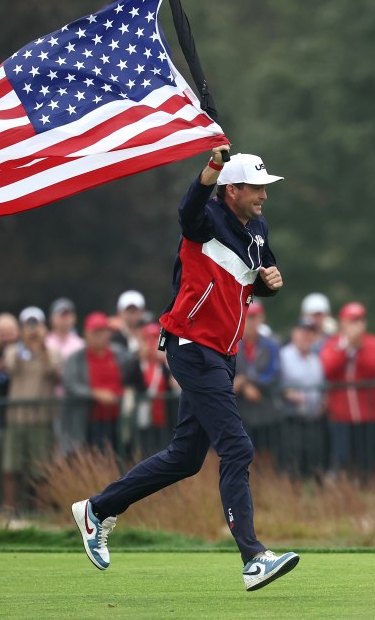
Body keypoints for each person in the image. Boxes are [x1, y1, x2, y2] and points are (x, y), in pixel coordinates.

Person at [71, 146, 299, 592]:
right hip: (194, 347)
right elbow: (187, 207)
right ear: (231, 189)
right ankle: (253, 557)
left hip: (222, 352)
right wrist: (212, 166)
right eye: (256, 188)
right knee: (238, 448)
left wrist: (270, 282)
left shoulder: (256, 227)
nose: (263, 196)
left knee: (186, 458)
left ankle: (96, 509)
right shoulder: (207, 217)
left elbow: (255, 276)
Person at [2, 307, 61, 513]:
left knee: (41, 469)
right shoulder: (13, 351)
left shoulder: (52, 352)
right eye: (29, 325)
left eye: (37, 325)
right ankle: (10, 509)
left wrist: (41, 348)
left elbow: (55, 373)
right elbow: (12, 368)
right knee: (12, 467)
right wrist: (25, 343)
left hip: (41, 419)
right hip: (16, 418)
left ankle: (42, 511)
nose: (33, 330)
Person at [320, 301, 375, 480]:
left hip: (369, 414)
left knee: (367, 460)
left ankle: (369, 491)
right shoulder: (333, 344)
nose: (357, 325)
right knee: (342, 458)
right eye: (352, 321)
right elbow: (328, 369)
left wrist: (358, 348)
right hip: (341, 415)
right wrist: (345, 347)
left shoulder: (373, 343)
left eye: (360, 321)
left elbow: (374, 368)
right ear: (343, 322)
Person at [63, 312, 142, 456]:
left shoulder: (120, 354)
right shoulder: (76, 358)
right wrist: (94, 394)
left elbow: (135, 371)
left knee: (121, 460)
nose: (101, 336)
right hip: (88, 421)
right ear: (87, 334)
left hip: (118, 420)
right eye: (96, 332)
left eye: (103, 331)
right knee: (93, 460)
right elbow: (70, 384)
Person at [233, 303, 283, 461]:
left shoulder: (271, 345)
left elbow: (273, 375)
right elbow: (229, 375)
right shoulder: (234, 345)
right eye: (248, 318)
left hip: (266, 410)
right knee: (243, 456)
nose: (252, 322)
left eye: (255, 318)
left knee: (268, 456)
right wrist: (242, 386)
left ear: (262, 319)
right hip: (241, 412)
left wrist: (245, 381)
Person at [278, 320, 326, 479]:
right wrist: (288, 393)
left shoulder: (315, 360)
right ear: (294, 333)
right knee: (292, 464)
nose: (306, 336)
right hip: (291, 419)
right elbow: (275, 384)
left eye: (310, 333)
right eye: (303, 332)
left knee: (314, 462)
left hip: (313, 419)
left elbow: (320, 386)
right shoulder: (283, 356)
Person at [45, 298, 86, 456]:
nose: (65, 319)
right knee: (53, 447)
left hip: (74, 403)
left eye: (68, 315)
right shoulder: (44, 343)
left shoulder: (80, 344)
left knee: (75, 446)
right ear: (52, 319)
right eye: (61, 315)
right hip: (50, 402)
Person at [134, 322, 179, 458]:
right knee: (144, 448)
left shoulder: (167, 361)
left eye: (154, 338)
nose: (151, 343)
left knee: (162, 446)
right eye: (147, 339)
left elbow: (176, 386)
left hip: (165, 416)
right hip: (142, 417)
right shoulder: (139, 362)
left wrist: (165, 361)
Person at [112, 290, 147, 355]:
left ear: (142, 312)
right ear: (119, 312)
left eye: (134, 310)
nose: (132, 315)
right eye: (128, 311)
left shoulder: (152, 333)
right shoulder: (113, 336)